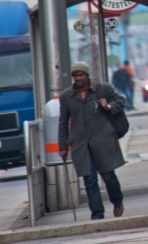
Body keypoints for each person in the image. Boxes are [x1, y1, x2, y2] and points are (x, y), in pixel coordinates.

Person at [58, 62, 126, 220]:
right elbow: (63, 122)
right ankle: (97, 213)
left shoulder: (103, 89)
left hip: (103, 140)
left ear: (87, 75)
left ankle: (117, 201)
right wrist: (62, 145)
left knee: (108, 176)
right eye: (75, 75)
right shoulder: (67, 96)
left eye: (81, 75)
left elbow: (121, 102)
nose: (78, 78)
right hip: (81, 144)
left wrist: (108, 106)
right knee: (89, 180)